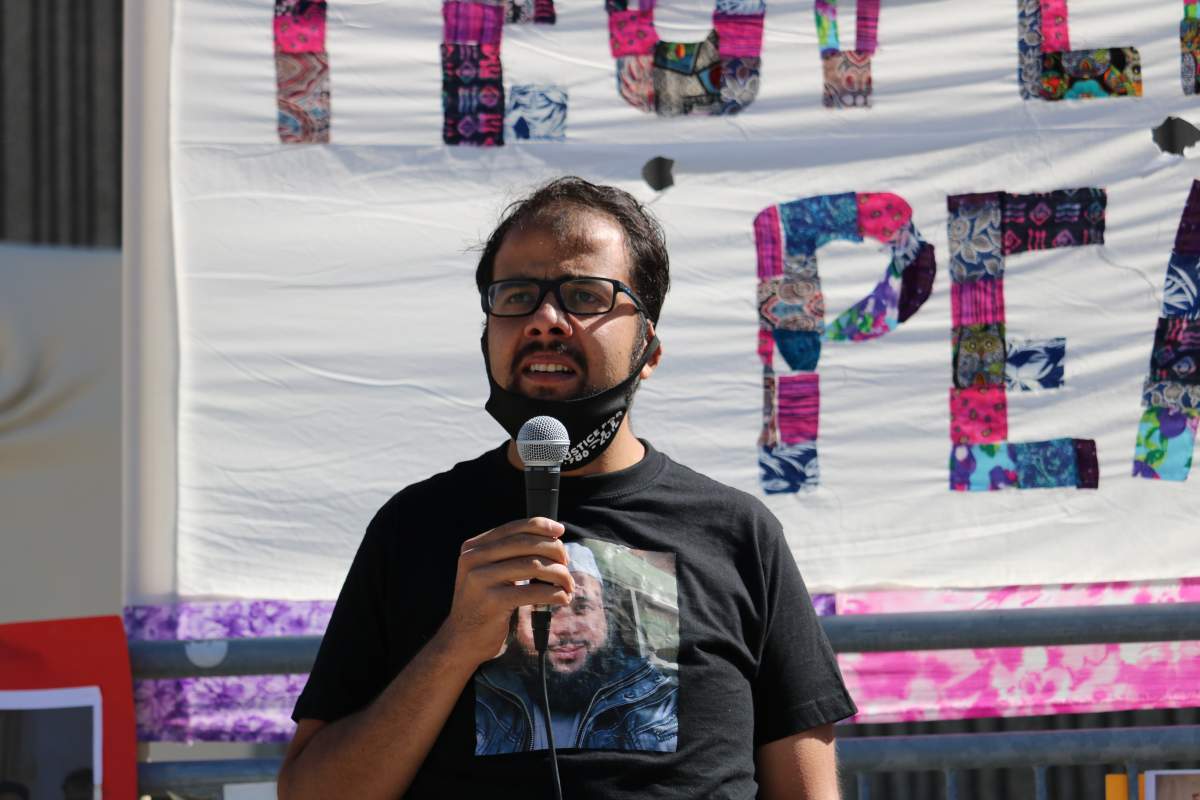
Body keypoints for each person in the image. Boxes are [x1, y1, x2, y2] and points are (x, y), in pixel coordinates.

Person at [278, 176, 856, 799]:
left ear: (649, 348)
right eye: (518, 295)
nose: (546, 321)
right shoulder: (412, 528)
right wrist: (456, 645)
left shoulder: (739, 533)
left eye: (584, 296)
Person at [475, 541, 678, 754]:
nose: (568, 628)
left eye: (582, 608)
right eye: (546, 611)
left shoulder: (661, 700)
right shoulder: (481, 697)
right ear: (515, 625)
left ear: (605, 616)